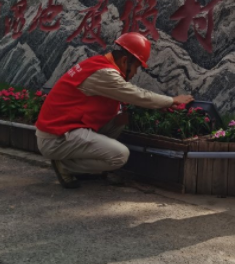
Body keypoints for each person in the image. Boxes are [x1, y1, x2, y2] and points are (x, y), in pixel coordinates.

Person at [35, 32, 194, 189]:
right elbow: (137, 95)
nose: (136, 73)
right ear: (125, 61)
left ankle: (76, 161)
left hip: (64, 130)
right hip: (56, 138)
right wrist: (172, 100)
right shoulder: (106, 74)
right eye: (136, 67)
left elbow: (129, 98)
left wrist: (159, 105)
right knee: (119, 156)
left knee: (119, 120)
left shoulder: (99, 64)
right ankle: (65, 166)